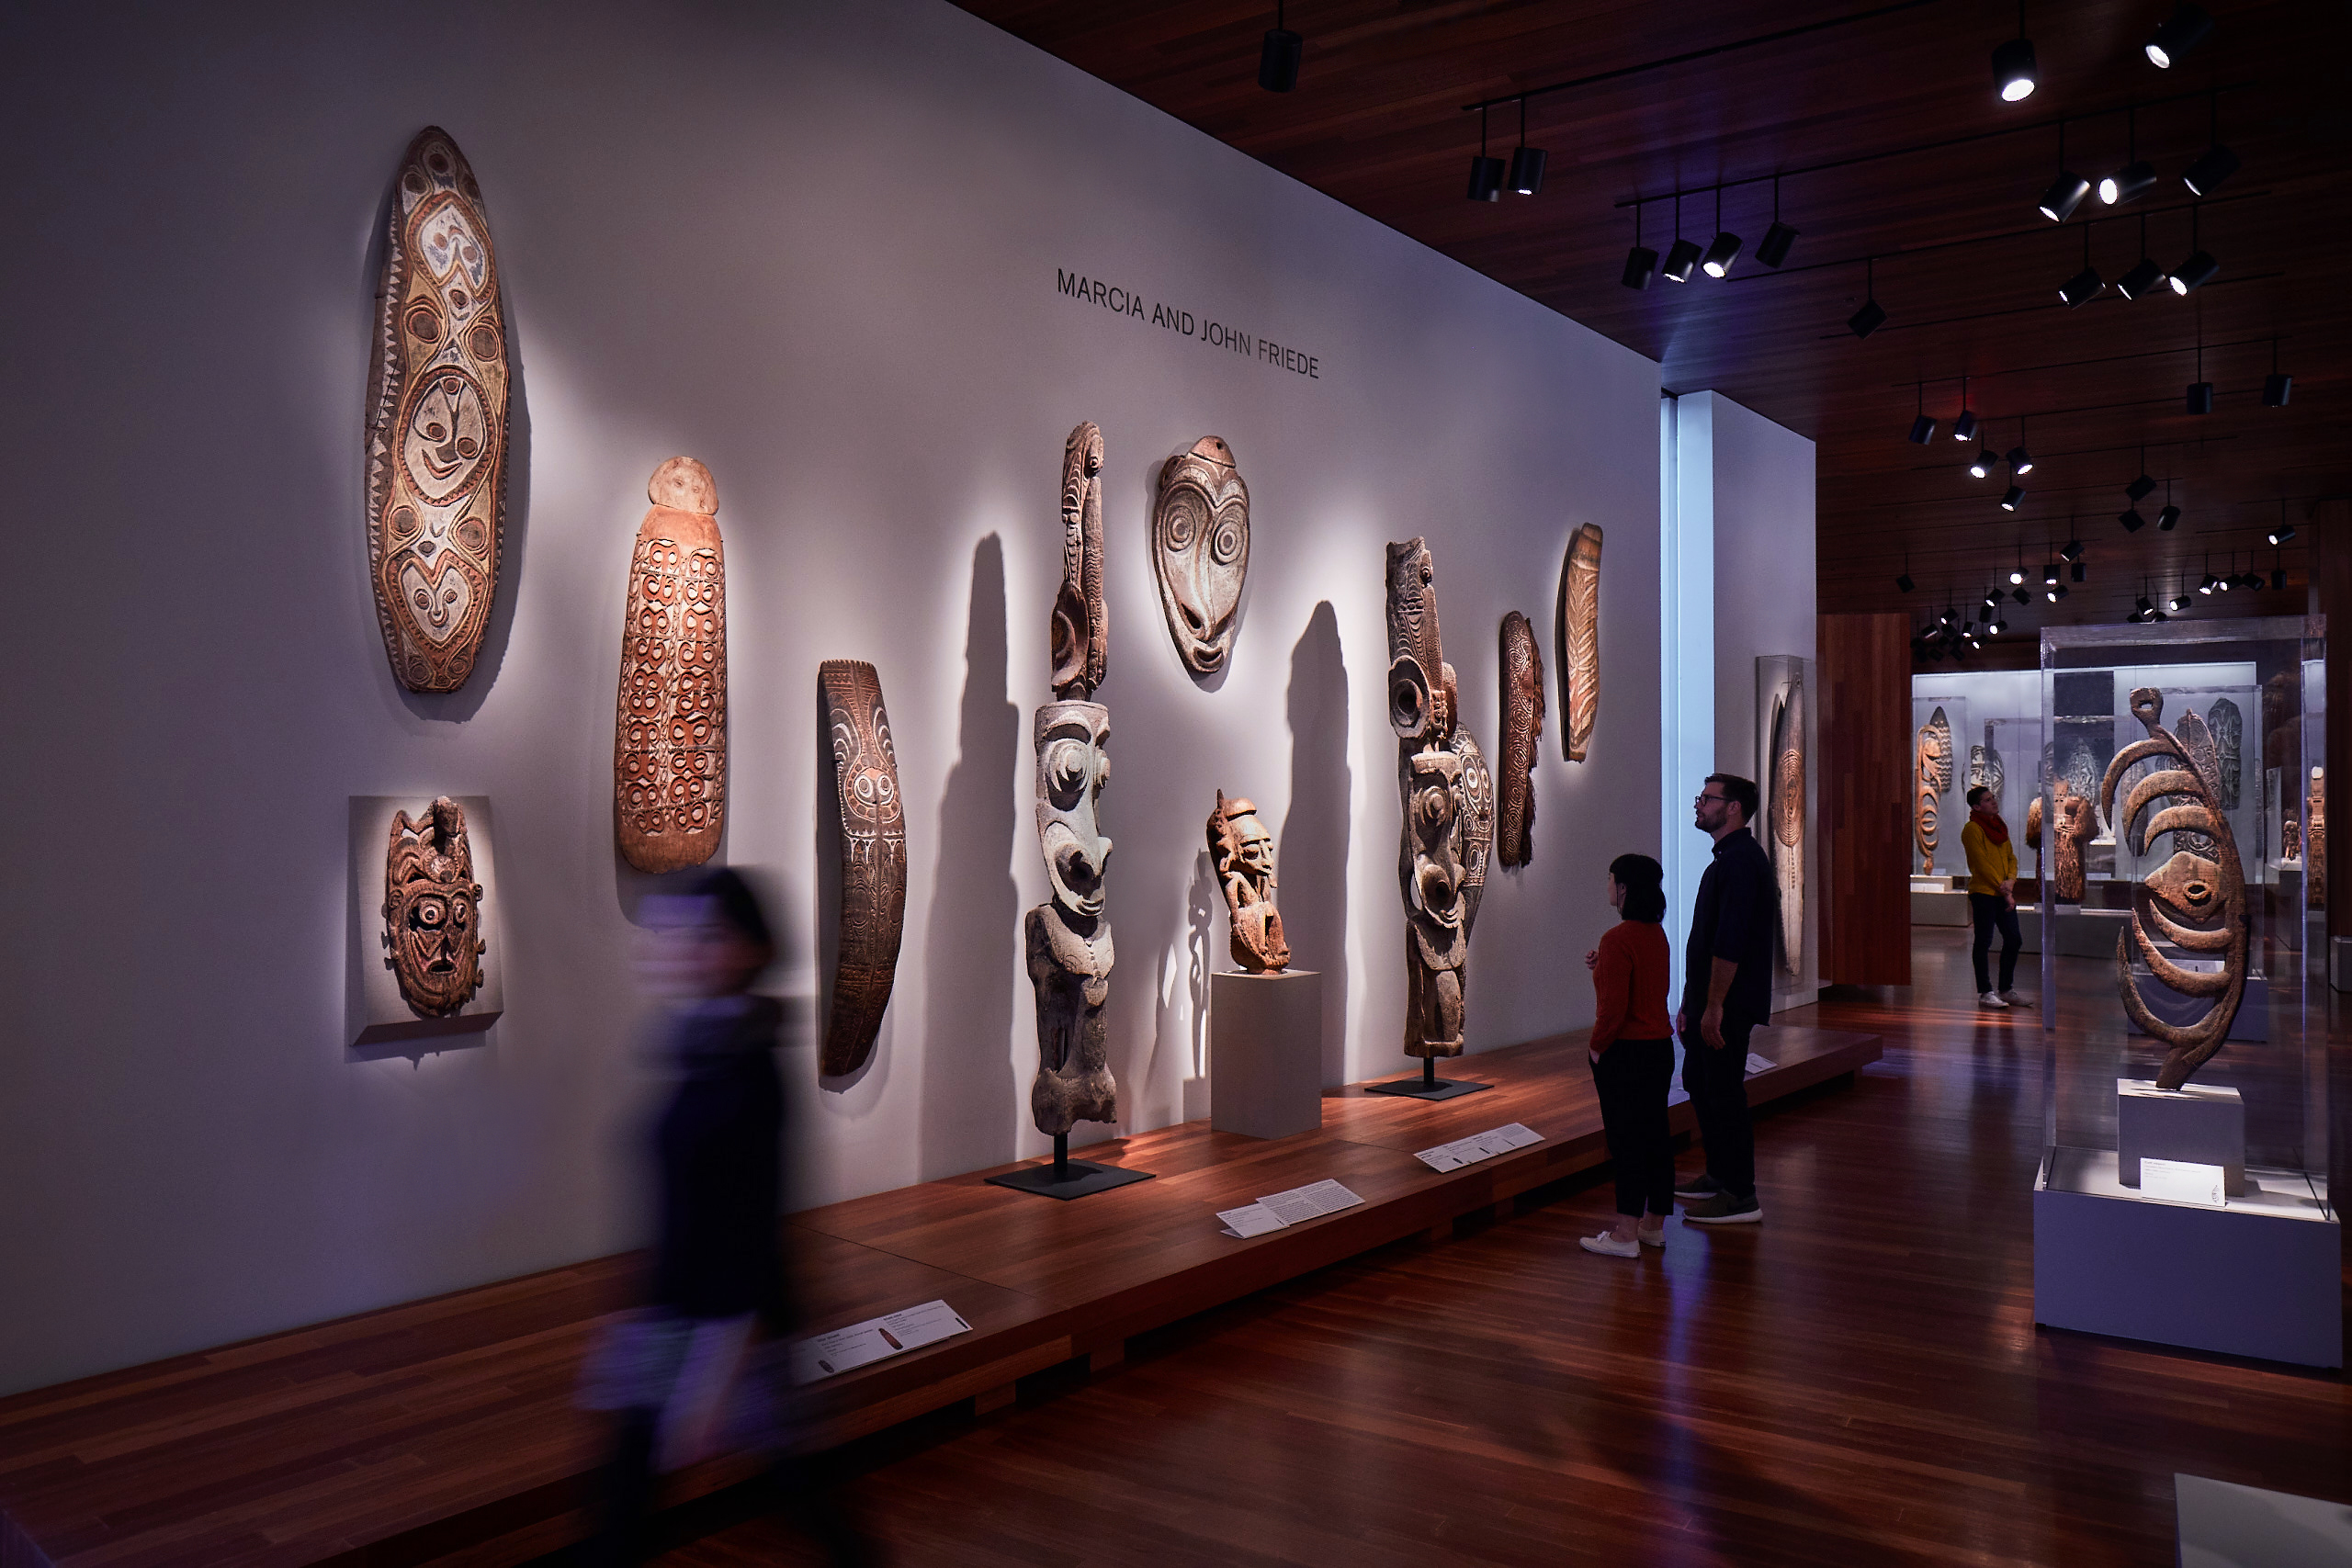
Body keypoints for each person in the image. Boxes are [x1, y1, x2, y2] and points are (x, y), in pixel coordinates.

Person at [586, 869, 870, 1566]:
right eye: (683, 934)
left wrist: (720, 1359)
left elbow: (753, 1218)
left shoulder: (750, 1066)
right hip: (674, 1309)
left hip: (726, 1321)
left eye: (708, 935)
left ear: (747, 948)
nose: (687, 949)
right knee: (628, 1495)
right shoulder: (695, 1043)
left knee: (797, 1483)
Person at [1673, 773, 1777, 1224]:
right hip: (1710, 1000)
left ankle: (1741, 1194)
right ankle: (1719, 1174)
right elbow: (1706, 940)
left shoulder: (1741, 863)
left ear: (1733, 807)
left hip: (1728, 1004)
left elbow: (1729, 942)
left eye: (1707, 799)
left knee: (1724, 1091)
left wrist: (1713, 1005)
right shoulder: (1726, 859)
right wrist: (1690, 1001)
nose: (1699, 805)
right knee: (1701, 1081)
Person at [1579, 853, 1675, 1258]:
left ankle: (1624, 1233)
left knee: (1626, 1140)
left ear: (1623, 888)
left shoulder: (1616, 939)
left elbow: (1613, 1011)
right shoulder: (1656, 933)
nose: (1607, 887)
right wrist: (1604, 967)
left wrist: (1596, 1048)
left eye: (1610, 879)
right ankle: (1653, 1225)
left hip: (1627, 1053)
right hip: (1659, 1049)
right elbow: (1646, 987)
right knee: (1655, 1135)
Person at [1962, 784, 2030, 1010]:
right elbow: (1981, 864)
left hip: (2002, 892)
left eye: (1993, 798)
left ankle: (2005, 989)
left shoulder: (1999, 827)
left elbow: (2011, 858)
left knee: (2014, 938)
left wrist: (2010, 881)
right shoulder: (1972, 829)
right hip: (1984, 894)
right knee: (1983, 941)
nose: (1994, 802)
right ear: (1977, 806)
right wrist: (2006, 890)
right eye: (1988, 800)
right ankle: (1985, 992)